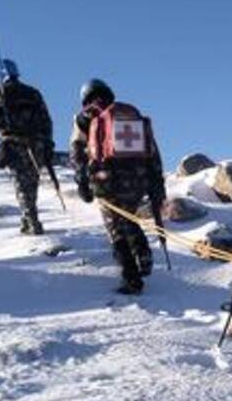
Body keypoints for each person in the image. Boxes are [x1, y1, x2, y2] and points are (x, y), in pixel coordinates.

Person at [70, 78, 166, 295]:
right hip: (138, 178)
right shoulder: (131, 115)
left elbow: (77, 153)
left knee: (115, 230)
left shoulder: (86, 118)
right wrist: (156, 184)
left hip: (107, 180)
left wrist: (82, 181)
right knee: (128, 216)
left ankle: (131, 279)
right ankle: (142, 251)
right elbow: (153, 152)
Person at [0, 59, 54, 235]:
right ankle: (29, 218)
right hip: (36, 145)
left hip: (14, 144)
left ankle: (31, 223)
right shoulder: (33, 93)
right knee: (32, 184)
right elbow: (46, 121)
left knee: (21, 185)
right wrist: (47, 144)